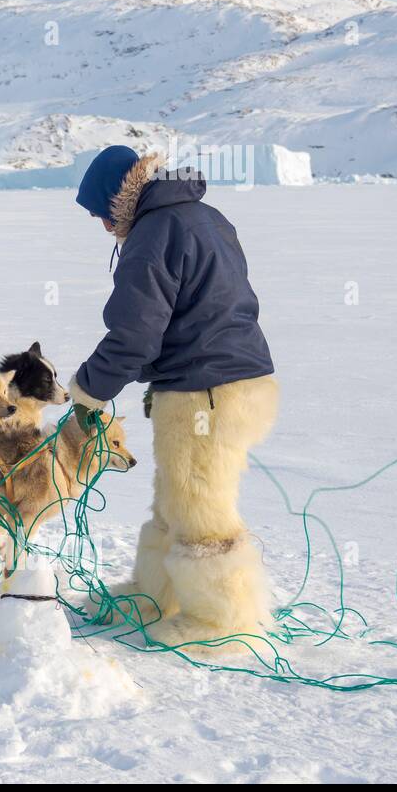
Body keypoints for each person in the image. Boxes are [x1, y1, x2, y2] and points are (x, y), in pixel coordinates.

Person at [67, 145, 279, 645]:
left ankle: (220, 621)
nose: (103, 226)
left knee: (201, 510)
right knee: (174, 501)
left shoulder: (153, 233)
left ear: (120, 200)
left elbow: (134, 333)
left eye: (101, 214)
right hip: (231, 381)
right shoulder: (204, 216)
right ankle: (152, 595)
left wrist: (90, 391)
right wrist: (159, 375)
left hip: (205, 393)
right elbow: (202, 305)